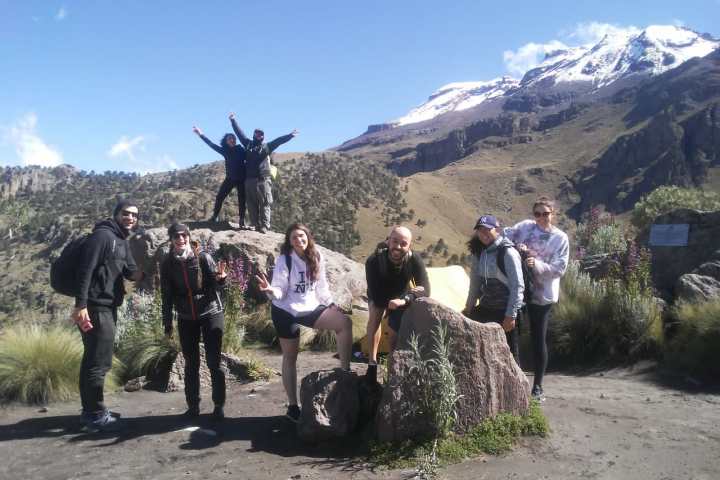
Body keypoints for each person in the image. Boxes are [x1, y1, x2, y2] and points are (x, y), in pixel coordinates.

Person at [255, 223, 352, 422]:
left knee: (344, 323)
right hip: (285, 310)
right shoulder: (285, 260)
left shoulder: (316, 256)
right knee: (290, 357)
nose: (299, 240)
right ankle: (292, 406)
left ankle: (345, 373)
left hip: (310, 307)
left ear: (308, 236)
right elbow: (280, 288)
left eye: (301, 236)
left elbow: (322, 287)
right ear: (289, 242)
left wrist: (331, 304)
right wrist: (271, 291)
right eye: (294, 238)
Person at [73, 199, 143, 432]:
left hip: (108, 306)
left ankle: (90, 410)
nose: (130, 218)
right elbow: (86, 269)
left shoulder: (122, 241)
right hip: (94, 307)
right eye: (126, 214)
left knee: (93, 358)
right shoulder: (102, 236)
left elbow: (131, 272)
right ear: (116, 215)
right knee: (99, 361)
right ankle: (94, 415)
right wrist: (80, 305)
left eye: (134, 215)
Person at [504, 197, 569, 402]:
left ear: (553, 214)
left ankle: (538, 386)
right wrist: (516, 247)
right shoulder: (524, 227)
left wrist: (536, 264)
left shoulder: (560, 238)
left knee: (538, 338)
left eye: (545, 214)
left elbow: (560, 268)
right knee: (512, 334)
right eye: (537, 213)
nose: (541, 218)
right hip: (519, 290)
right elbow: (505, 236)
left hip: (542, 295)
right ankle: (513, 381)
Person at [161, 223, 228, 420]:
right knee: (191, 364)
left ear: (189, 237)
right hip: (185, 317)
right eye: (176, 236)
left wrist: (222, 279)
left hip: (210, 313)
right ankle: (193, 406)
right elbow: (166, 295)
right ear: (171, 240)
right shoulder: (167, 264)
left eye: (184, 236)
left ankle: (218, 405)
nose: (181, 239)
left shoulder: (203, 257)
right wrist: (167, 323)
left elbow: (217, 284)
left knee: (214, 361)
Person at [364, 226, 430, 383]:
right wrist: (389, 304)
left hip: (401, 296)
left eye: (403, 243)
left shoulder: (414, 260)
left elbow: (426, 289)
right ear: (388, 240)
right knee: (375, 315)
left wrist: (405, 300)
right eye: (395, 241)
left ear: (409, 246)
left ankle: (393, 368)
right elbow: (376, 295)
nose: (398, 247)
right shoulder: (373, 261)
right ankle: (372, 365)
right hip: (378, 294)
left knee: (395, 333)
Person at [462, 215, 524, 362]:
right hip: (486, 309)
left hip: (504, 313)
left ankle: (515, 385)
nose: (483, 234)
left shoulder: (508, 252)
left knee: (509, 358)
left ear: (497, 230)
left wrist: (511, 316)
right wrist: (469, 306)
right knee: (481, 354)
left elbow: (518, 287)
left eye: (487, 230)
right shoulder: (479, 252)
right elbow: (475, 284)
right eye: (480, 230)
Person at [230, 113, 298, 233]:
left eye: (260, 134)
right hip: (249, 180)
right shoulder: (248, 144)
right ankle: (255, 224)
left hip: (263, 180)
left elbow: (278, 141)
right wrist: (233, 120)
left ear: (263, 136)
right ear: (254, 134)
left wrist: (290, 136)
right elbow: (239, 133)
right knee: (251, 204)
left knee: (265, 203)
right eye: (256, 133)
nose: (258, 135)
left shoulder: (267, 147)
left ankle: (265, 226)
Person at [192, 124, 247, 227]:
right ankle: (215, 217)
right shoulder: (225, 151)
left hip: (241, 179)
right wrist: (200, 134)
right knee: (220, 197)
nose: (232, 140)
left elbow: (251, 158)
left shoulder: (241, 150)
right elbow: (211, 144)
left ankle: (242, 220)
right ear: (226, 141)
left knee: (242, 200)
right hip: (230, 178)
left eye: (234, 138)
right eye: (230, 139)